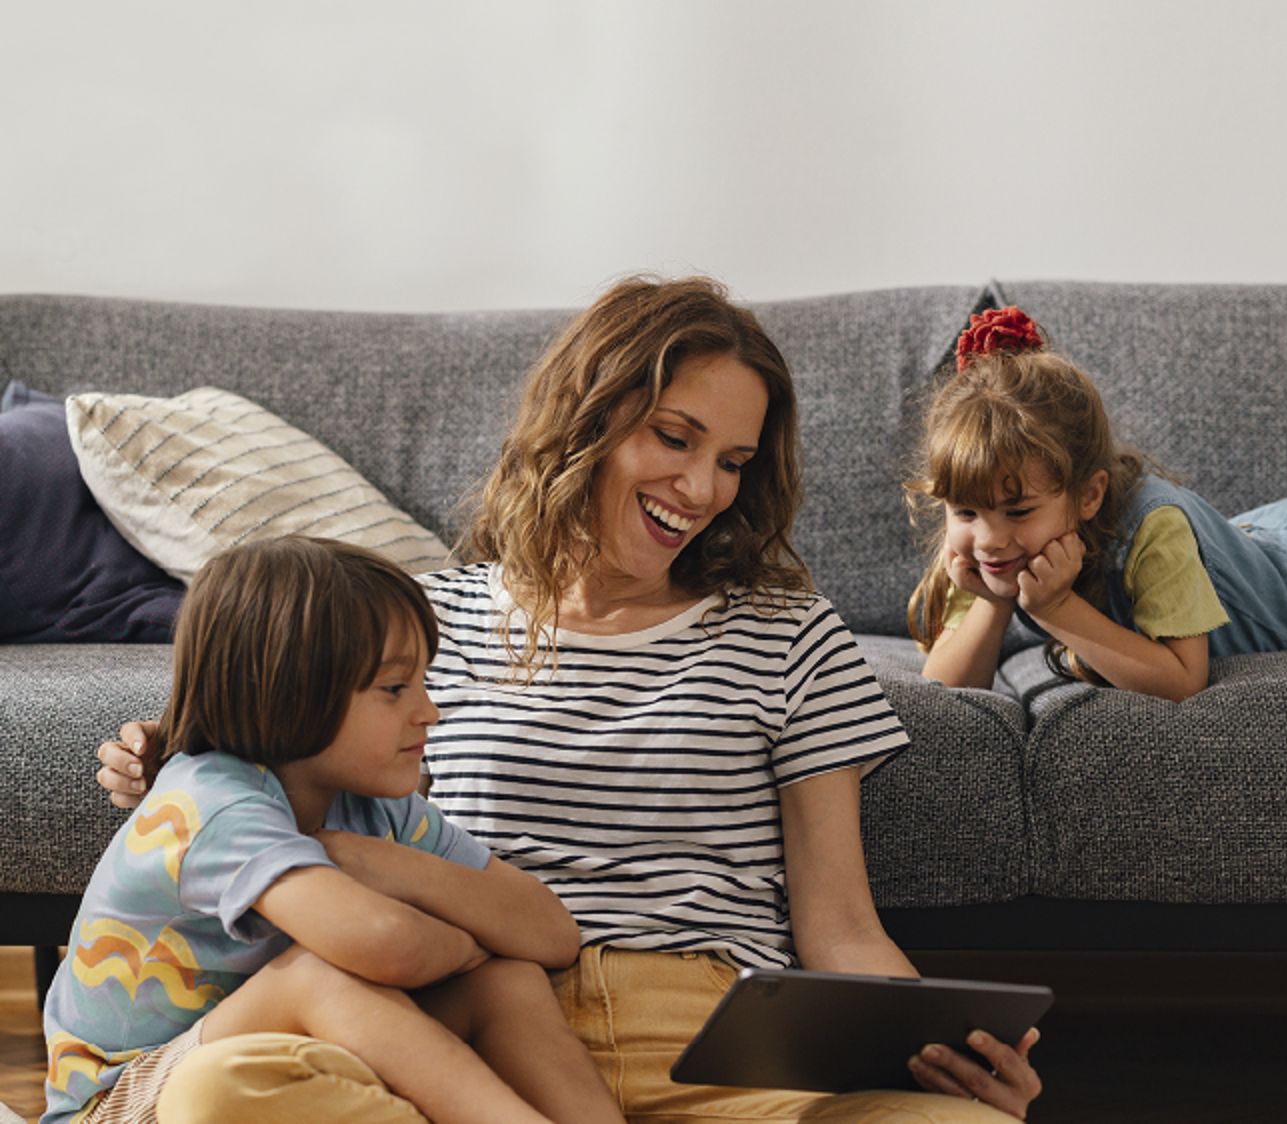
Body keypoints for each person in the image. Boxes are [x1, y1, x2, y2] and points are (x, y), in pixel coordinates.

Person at [97, 276, 1042, 1122]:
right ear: (586, 419)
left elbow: (838, 926)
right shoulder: (421, 623)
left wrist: (939, 1051)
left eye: (733, 460)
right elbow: (295, 781)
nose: (702, 487)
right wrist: (187, 756)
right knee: (220, 1092)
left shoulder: (788, 632)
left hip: (719, 1051)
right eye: (674, 437)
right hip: (473, 1037)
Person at [55, 535, 624, 1124]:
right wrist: (466, 944)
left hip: (273, 1062)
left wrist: (379, 861)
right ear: (288, 693)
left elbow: (550, 933)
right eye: (395, 689)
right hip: (125, 1102)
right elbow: (383, 945)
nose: (429, 711)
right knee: (318, 977)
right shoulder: (212, 803)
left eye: (423, 683)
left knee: (505, 981)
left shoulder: (373, 807)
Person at [909, 305, 1287, 702]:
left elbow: (1181, 680)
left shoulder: (1153, 527)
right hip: (1266, 543)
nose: (989, 538)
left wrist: (1057, 609)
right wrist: (992, 604)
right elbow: (945, 690)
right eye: (966, 513)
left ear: (1088, 495)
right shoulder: (992, 554)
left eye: (1017, 512)